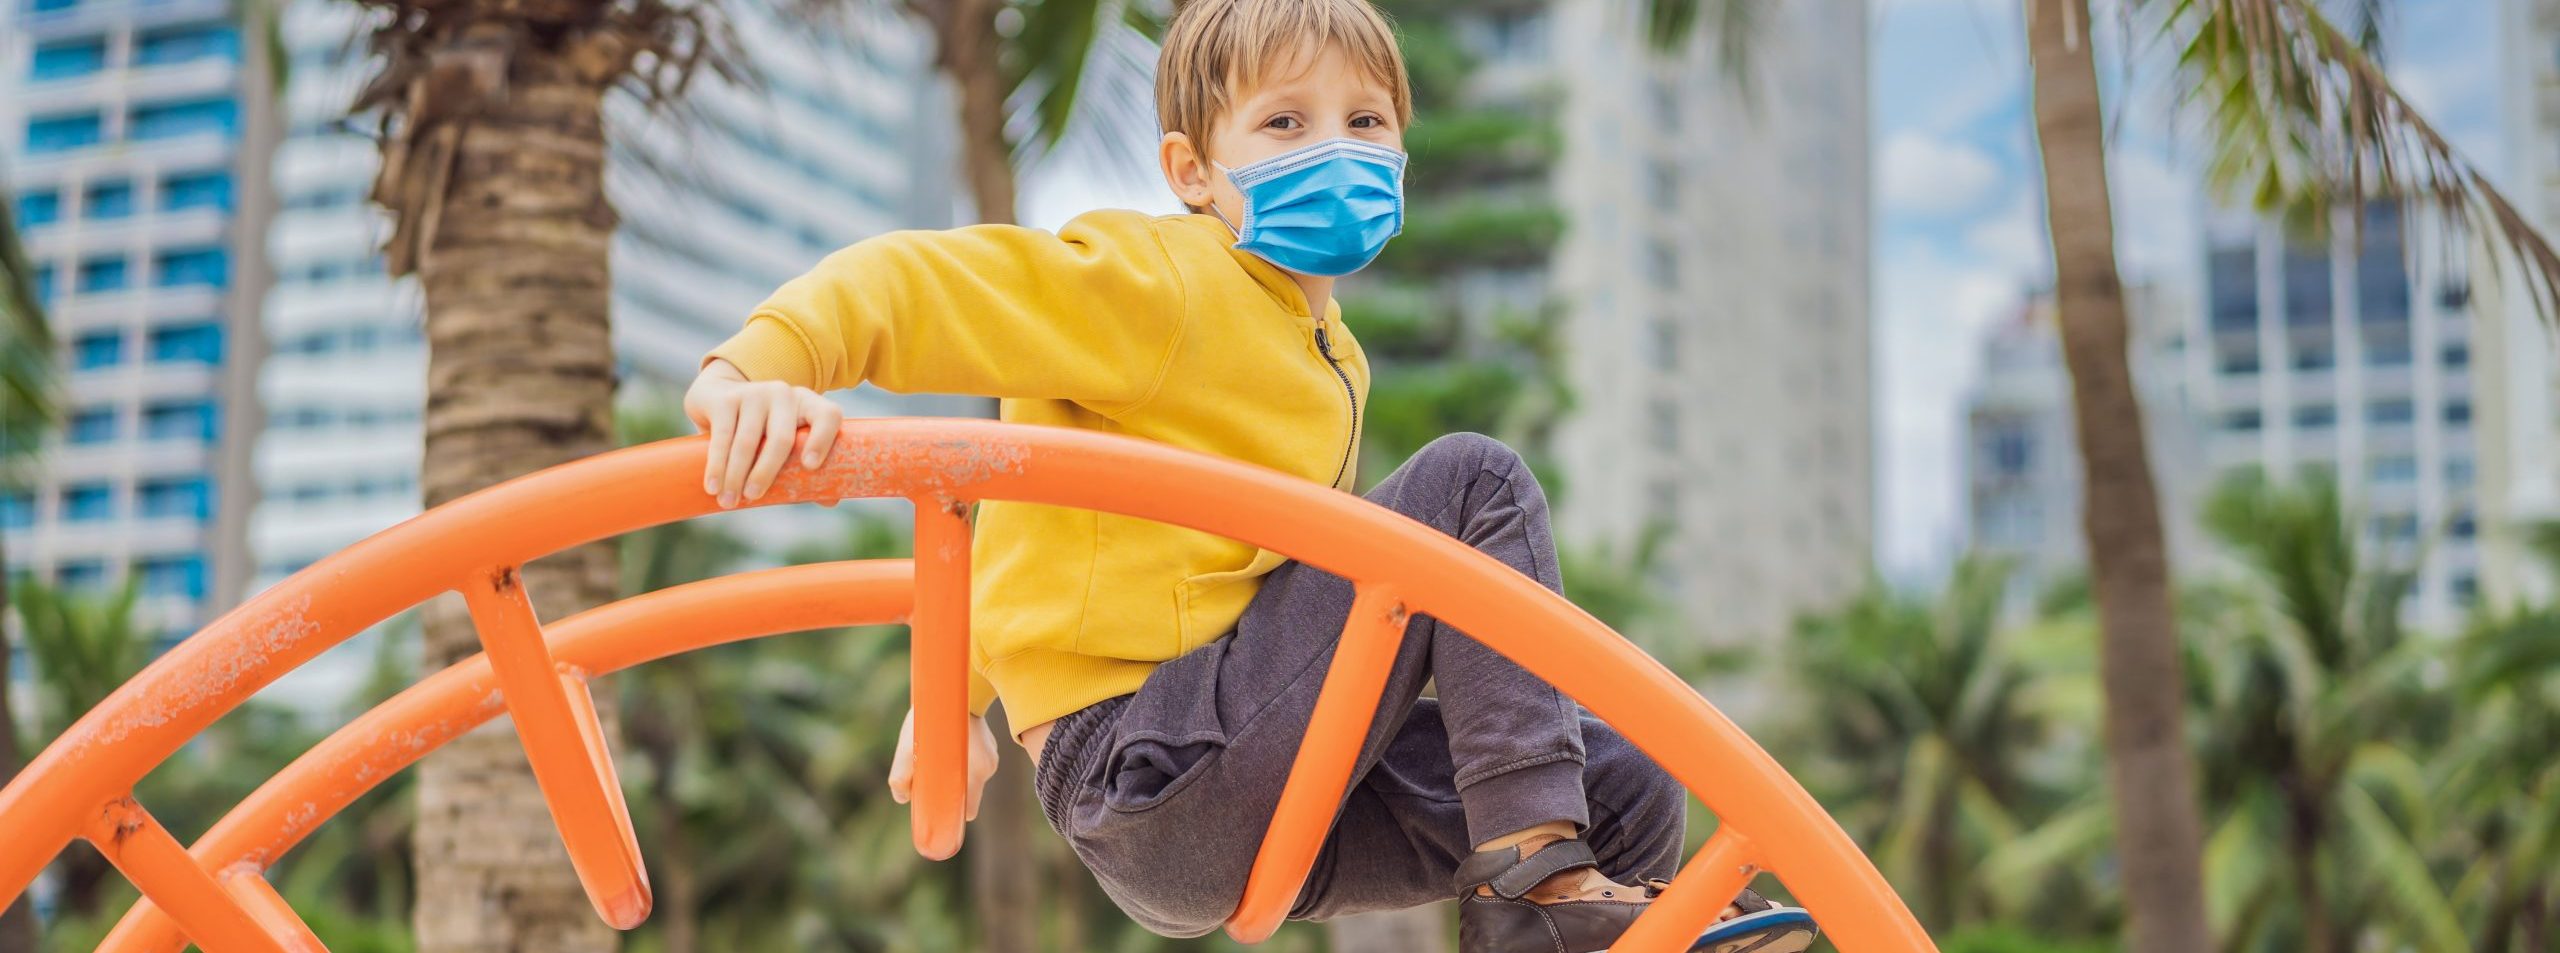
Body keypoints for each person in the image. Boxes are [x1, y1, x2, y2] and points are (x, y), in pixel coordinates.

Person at [682, 1, 1818, 949]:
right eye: (1284, 122)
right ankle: (1539, 889)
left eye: (1365, 121)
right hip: (1147, 760)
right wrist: (758, 366)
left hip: (1267, 784)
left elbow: (1075, 537)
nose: (1338, 148)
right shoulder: (1158, 281)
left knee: (1622, 777)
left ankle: (1546, 901)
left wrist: (960, 699)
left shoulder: (1332, 358)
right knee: (1473, 483)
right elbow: (923, 283)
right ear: (1192, 169)